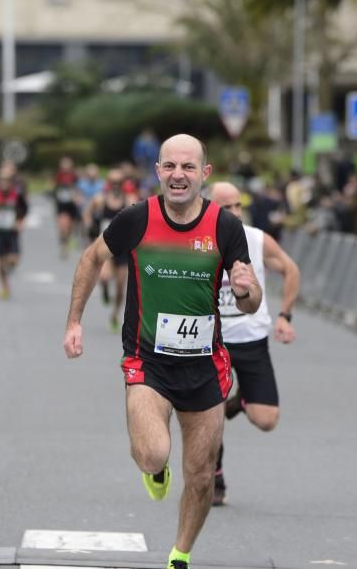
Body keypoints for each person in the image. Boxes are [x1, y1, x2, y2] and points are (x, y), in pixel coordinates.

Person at [62, 134, 261, 569]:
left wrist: (247, 291)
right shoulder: (137, 219)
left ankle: (180, 554)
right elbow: (93, 258)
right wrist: (75, 320)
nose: (178, 175)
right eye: (170, 166)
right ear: (158, 171)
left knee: (202, 474)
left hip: (205, 366)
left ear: (204, 174)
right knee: (153, 453)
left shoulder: (225, 227)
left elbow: (250, 300)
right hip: (147, 360)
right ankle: (155, 470)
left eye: (188, 167)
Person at [209, 181, 300, 506]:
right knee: (211, 420)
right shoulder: (197, 241)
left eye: (237, 206)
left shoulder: (257, 239)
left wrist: (285, 315)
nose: (234, 213)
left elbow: (291, 270)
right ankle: (215, 474)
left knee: (267, 420)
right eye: (226, 207)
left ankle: (241, 401)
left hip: (251, 339)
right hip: (210, 343)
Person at [83, 168, 139, 329]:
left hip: (123, 248)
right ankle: (105, 290)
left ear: (123, 184)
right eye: (112, 183)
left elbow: (138, 219)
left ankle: (115, 314)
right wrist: (89, 225)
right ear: (108, 184)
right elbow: (87, 213)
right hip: (106, 245)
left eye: (118, 183)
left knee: (121, 287)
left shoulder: (130, 199)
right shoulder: (100, 199)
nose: (115, 186)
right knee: (105, 277)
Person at [0, 165, 29, 299]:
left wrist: (20, 222)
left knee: (14, 259)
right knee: (0, 261)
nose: (3, 183)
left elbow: (24, 210)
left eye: (6, 180)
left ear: (11, 182)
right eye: (1, 180)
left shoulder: (17, 194)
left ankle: (10, 267)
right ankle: (4, 286)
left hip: (12, 231)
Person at [53, 156, 80, 259]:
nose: (65, 166)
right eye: (64, 164)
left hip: (72, 205)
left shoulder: (74, 175)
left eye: (67, 164)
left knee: (70, 227)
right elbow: (52, 186)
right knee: (63, 225)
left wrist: (77, 196)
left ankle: (67, 241)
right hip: (61, 204)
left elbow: (78, 188)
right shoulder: (58, 175)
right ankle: (63, 245)